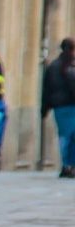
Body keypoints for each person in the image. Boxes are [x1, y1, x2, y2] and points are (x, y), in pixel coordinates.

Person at [41, 38, 75, 178]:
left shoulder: (53, 66)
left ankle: (66, 165)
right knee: (72, 137)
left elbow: (46, 90)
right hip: (71, 106)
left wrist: (44, 108)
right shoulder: (70, 66)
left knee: (64, 136)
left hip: (59, 107)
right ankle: (71, 165)